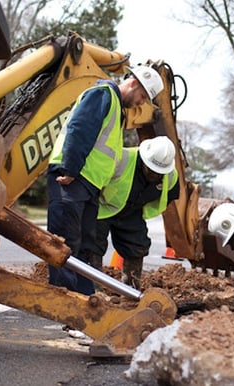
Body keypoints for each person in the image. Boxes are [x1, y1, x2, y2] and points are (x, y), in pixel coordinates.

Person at [46, 65, 164, 295]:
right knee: (64, 243)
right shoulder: (103, 95)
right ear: (133, 83)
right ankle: (65, 304)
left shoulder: (117, 110)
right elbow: (79, 128)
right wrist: (70, 168)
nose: (141, 103)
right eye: (142, 96)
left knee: (85, 247)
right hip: (73, 178)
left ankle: (86, 300)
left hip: (88, 185)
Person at [86, 136, 180, 289]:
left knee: (138, 246)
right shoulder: (122, 159)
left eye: (158, 173)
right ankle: (92, 287)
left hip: (131, 211)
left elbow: (170, 196)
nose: (154, 176)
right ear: (144, 160)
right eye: (151, 170)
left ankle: (131, 288)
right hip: (103, 208)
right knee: (93, 244)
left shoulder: (170, 177)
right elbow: (95, 179)